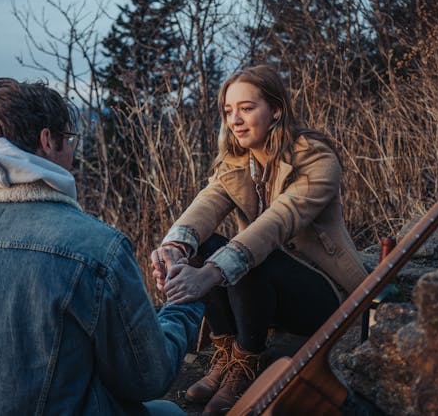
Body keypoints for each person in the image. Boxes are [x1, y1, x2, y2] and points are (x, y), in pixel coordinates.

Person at [0, 78, 203, 415]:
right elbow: (147, 378)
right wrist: (184, 306)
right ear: (47, 141)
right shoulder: (96, 248)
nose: (72, 152)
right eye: (70, 140)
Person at [150, 65, 368, 414]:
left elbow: (276, 223)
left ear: (276, 110)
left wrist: (208, 274)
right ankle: (228, 354)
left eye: (247, 108)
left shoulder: (316, 159)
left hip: (322, 292)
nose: (235, 119)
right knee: (203, 247)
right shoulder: (237, 162)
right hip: (265, 294)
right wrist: (174, 248)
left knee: (246, 258)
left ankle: (247, 364)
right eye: (228, 111)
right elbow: (205, 205)